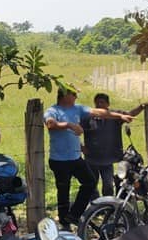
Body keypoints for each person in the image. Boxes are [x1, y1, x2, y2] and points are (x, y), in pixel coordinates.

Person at [44, 86, 133, 229]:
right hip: (59, 160)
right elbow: (50, 124)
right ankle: (65, 222)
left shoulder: (78, 108)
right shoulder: (52, 111)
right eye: (74, 94)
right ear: (65, 95)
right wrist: (70, 125)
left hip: (75, 158)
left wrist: (120, 116)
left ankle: (74, 214)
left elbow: (100, 112)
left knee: (90, 182)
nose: (76, 97)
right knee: (63, 191)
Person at [83, 93, 146, 197]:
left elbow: (130, 114)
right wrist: (81, 146)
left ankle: (107, 206)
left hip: (107, 159)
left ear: (108, 104)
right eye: (97, 102)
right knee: (91, 185)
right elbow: (75, 129)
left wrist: (141, 107)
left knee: (108, 184)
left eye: (102, 102)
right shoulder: (88, 117)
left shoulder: (115, 115)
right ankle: (96, 206)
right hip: (91, 158)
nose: (99, 104)